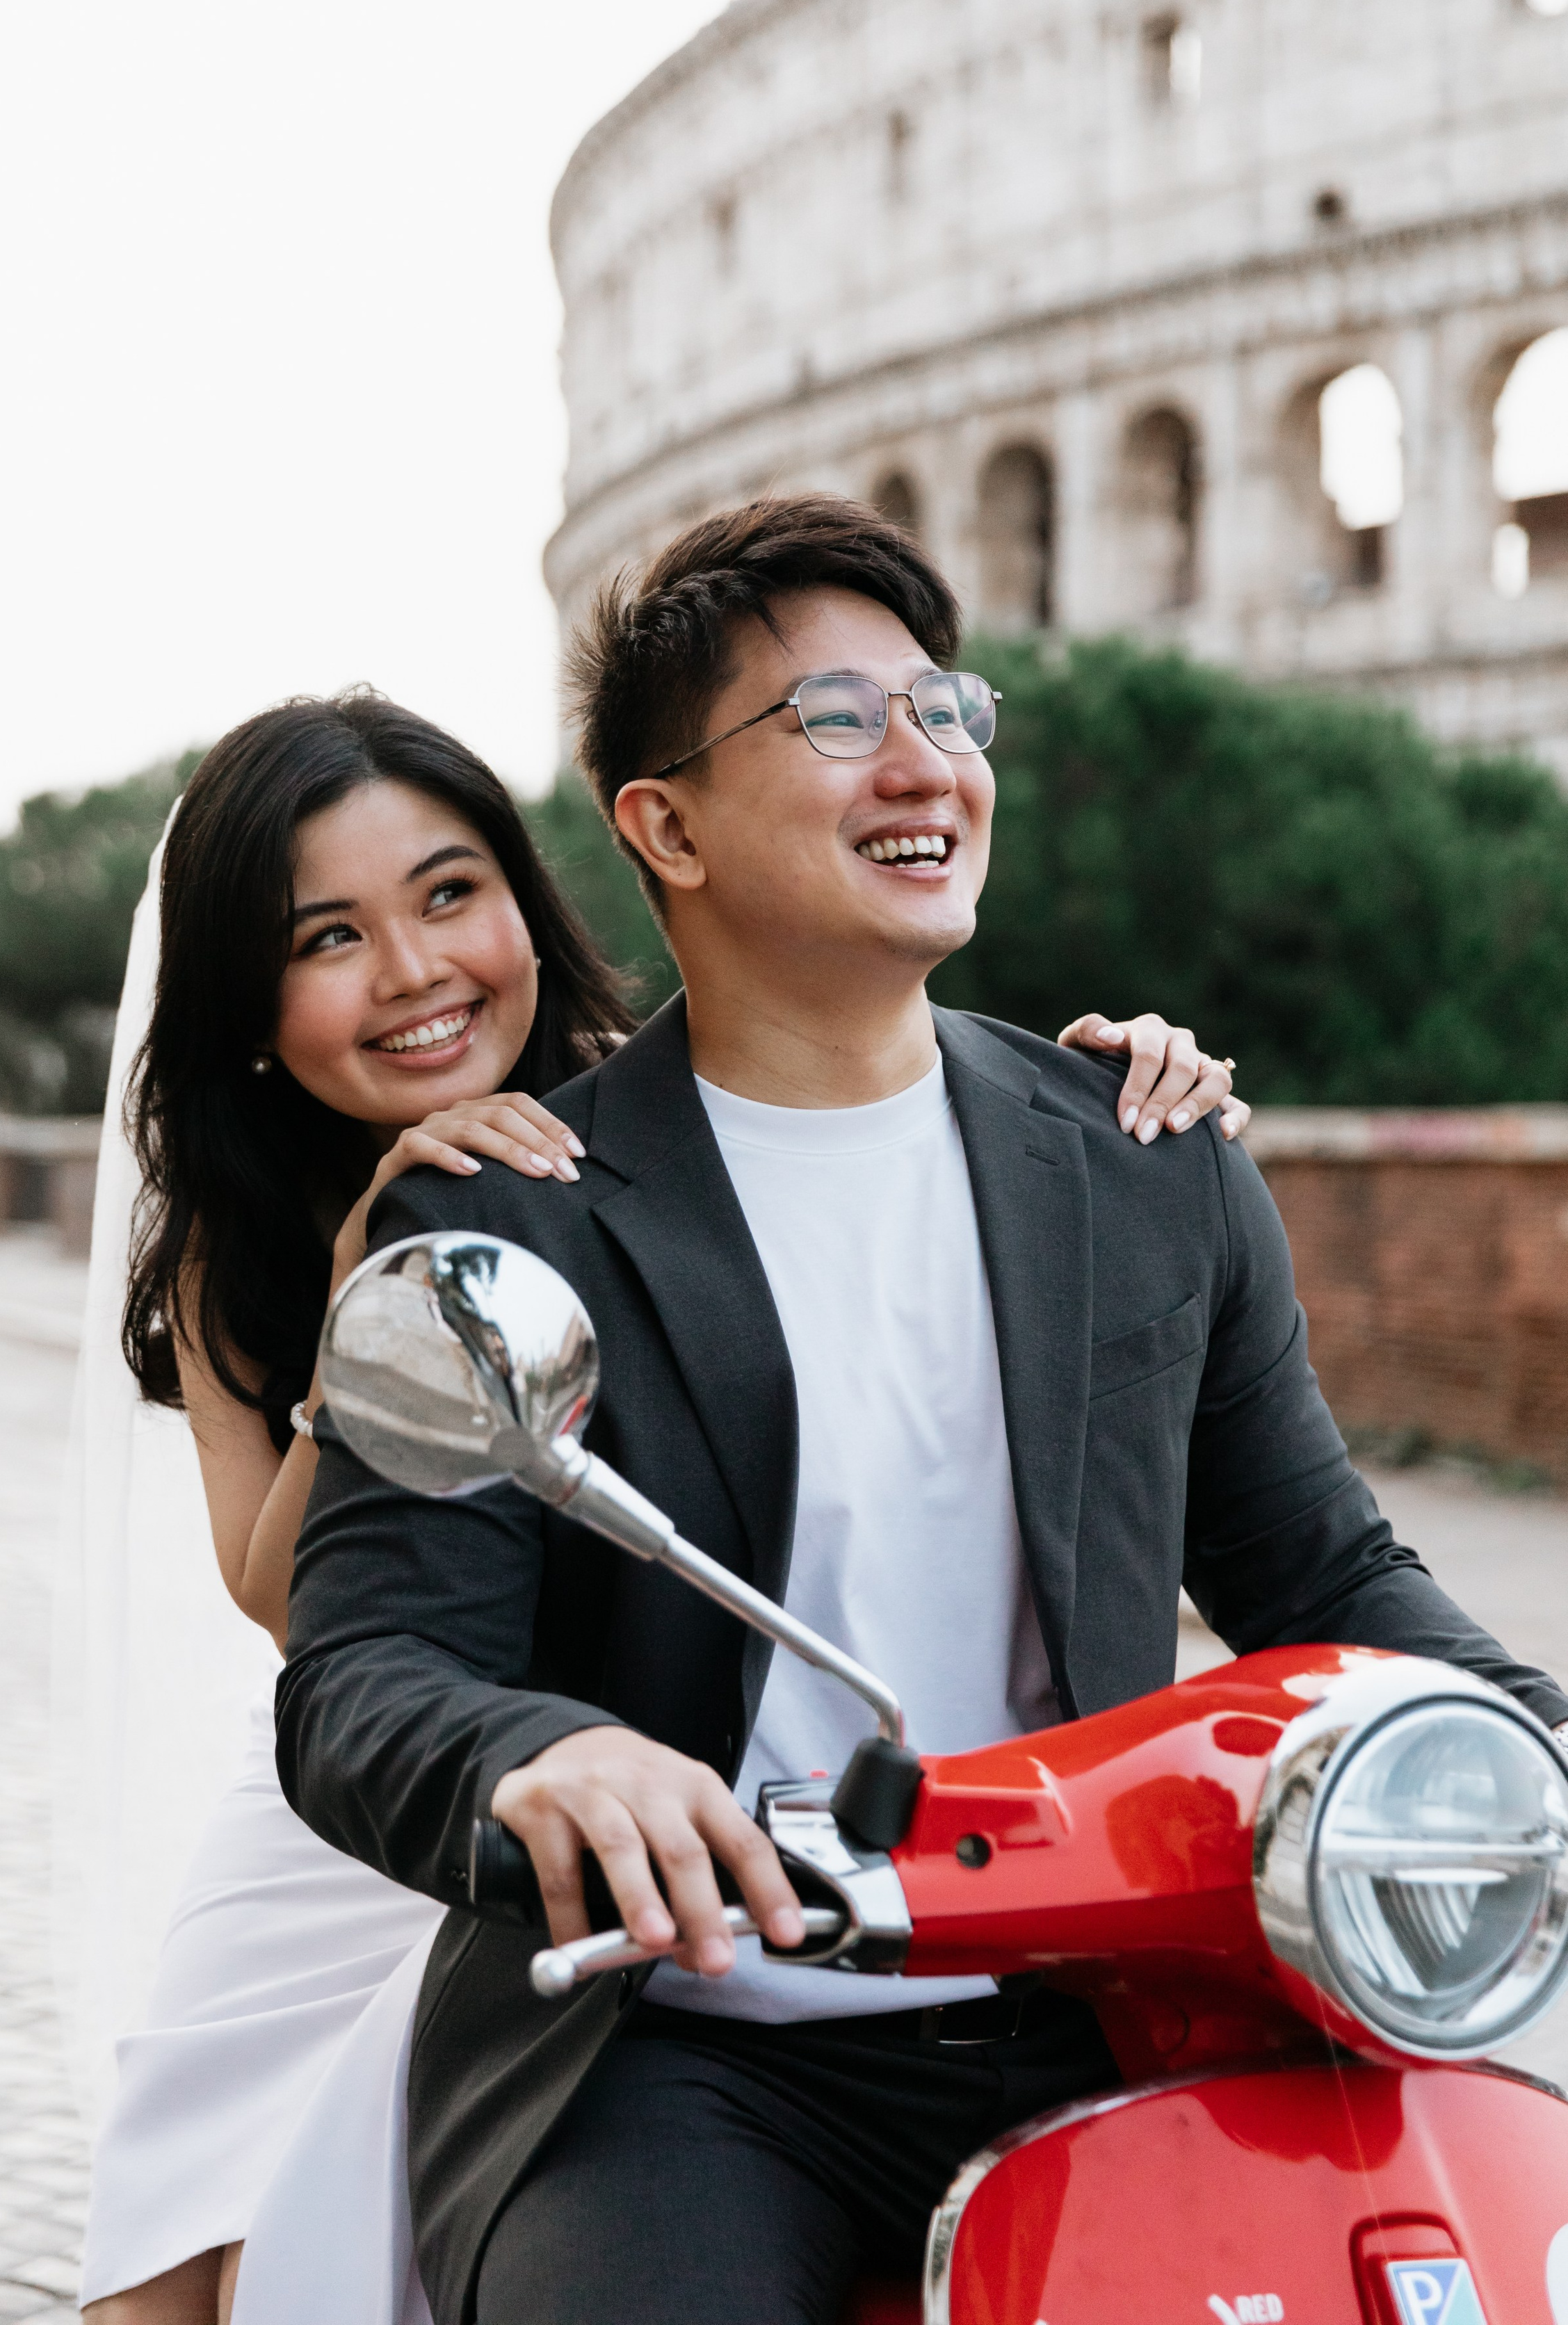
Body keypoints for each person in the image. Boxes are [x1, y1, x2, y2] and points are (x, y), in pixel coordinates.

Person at [275, 496, 1568, 2325]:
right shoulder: (507, 1213)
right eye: (834, 720)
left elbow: (1322, 1570)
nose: (927, 763)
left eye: (951, 712)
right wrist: (537, 1761)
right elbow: (365, 1675)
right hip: (691, 2045)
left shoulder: (1146, 1163)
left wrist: (1542, 1742)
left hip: (1129, 2002)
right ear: (667, 825)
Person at [72, 680, 1244, 2325]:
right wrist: (380, 1291)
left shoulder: (657, 1126)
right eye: (326, 937)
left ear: (526, 906)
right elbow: (288, 1605)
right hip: (394, 1784)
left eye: (448, 894)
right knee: (182, 2239)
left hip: (682, 1768)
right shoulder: (238, 1247)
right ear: (250, 1007)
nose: (412, 972)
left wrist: (1099, 1098)